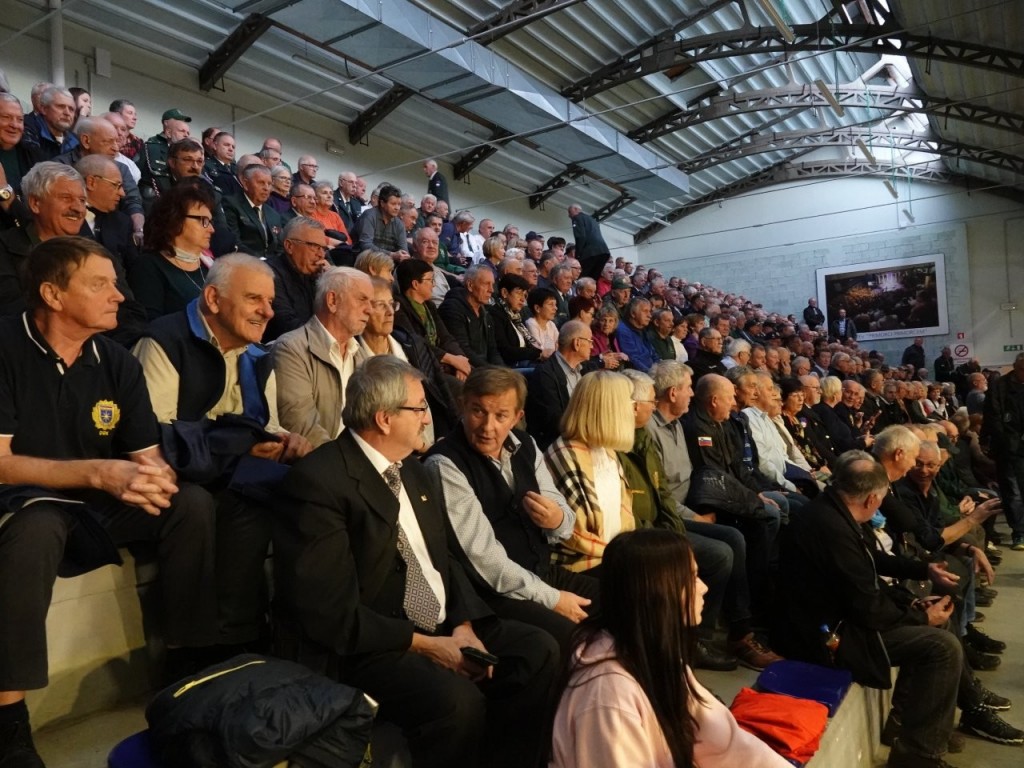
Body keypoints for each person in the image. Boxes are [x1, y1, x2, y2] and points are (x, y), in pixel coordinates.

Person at [272, 356, 559, 768]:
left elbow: (442, 559)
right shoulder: (319, 482)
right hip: (375, 643)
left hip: (442, 624)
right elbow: (329, 612)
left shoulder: (412, 469)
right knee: (457, 702)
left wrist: (464, 626)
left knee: (537, 651)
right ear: (385, 418)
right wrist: (428, 645)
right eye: (421, 407)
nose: (428, 417)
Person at [0, 237, 219, 767]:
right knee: (35, 529)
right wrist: (99, 472)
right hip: (24, 499)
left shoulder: (116, 360)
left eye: (116, 283)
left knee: (189, 503)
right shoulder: (6, 346)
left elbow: (145, 455)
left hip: (93, 503)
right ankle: (8, 719)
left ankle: (185, 668)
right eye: (99, 284)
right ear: (53, 294)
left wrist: (156, 479)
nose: (119, 295)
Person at [133, 253, 313, 654]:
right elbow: (157, 438)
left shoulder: (258, 357)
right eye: (254, 299)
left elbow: (266, 426)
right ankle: (194, 650)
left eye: (270, 301)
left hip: (233, 476)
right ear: (213, 299)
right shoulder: (164, 341)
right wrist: (239, 446)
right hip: (174, 476)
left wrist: (287, 441)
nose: (268, 312)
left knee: (302, 487)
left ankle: (249, 638)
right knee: (200, 503)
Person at [549, 528, 792, 768]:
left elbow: (722, 738)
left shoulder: (652, 654)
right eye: (692, 577)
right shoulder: (608, 694)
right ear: (658, 591)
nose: (704, 587)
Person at [424, 366, 599, 651]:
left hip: (541, 572)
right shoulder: (445, 464)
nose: (487, 426)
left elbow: (565, 518)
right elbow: (485, 562)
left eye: (501, 416)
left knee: (629, 601)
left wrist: (556, 519)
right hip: (493, 595)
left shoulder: (527, 444)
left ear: (518, 417)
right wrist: (553, 599)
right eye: (478, 411)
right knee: (574, 639)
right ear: (462, 406)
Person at [544, 370, 635, 573]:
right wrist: (619, 553)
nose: (633, 407)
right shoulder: (564, 455)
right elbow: (574, 533)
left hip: (614, 555)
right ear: (609, 409)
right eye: (628, 400)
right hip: (580, 564)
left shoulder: (608, 451)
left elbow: (625, 516)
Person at [271, 267, 372, 448]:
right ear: (332, 301)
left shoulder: (361, 356)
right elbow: (301, 426)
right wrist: (349, 461)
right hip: (324, 462)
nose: (370, 310)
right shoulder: (291, 349)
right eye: (362, 299)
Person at [129, 183, 215, 321]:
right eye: (203, 221)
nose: (211, 229)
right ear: (175, 219)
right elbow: (151, 324)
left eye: (210, 221)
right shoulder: (148, 266)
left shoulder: (211, 265)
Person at [526, 320, 594, 451]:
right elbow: (555, 422)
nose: (592, 346)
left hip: (583, 437)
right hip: (559, 446)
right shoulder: (545, 374)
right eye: (590, 341)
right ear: (577, 343)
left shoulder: (585, 370)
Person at [264, 217, 331, 341]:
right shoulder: (269, 274)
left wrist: (329, 284)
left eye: (323, 248)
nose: (321, 254)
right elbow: (285, 325)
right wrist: (330, 336)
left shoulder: (317, 274)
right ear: (289, 246)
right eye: (314, 246)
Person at [983, 352, 1024, 550]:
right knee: (1013, 492)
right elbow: (993, 418)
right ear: (1015, 367)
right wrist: (1006, 442)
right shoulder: (999, 386)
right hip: (1008, 448)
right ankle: (1019, 532)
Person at [489, 273, 546, 367]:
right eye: (519, 293)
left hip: (524, 363)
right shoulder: (496, 314)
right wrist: (538, 354)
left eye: (524, 295)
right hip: (510, 367)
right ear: (504, 293)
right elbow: (505, 351)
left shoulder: (516, 316)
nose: (523, 299)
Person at [568, 203, 609, 281]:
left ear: (576, 209)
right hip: (604, 252)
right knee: (593, 279)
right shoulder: (592, 220)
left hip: (590, 253)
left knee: (582, 278)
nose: (569, 215)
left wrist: (578, 256)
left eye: (570, 212)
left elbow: (580, 236)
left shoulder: (577, 218)